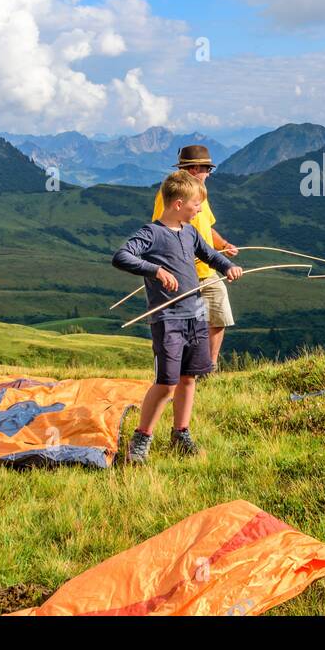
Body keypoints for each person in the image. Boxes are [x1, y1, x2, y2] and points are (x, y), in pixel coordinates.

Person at [113, 169, 242, 464]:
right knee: (166, 383)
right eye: (196, 205)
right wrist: (155, 270)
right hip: (168, 320)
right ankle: (141, 439)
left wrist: (227, 267)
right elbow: (121, 256)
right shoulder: (151, 233)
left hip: (195, 316)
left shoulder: (191, 232)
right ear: (178, 204)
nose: (199, 210)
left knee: (189, 379)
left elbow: (210, 254)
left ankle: (180, 434)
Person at [152, 144, 238, 371]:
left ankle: (210, 367)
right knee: (185, 324)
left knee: (219, 318)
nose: (209, 174)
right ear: (194, 169)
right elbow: (163, 229)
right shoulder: (168, 195)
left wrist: (224, 245)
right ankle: (183, 369)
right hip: (184, 274)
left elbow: (207, 228)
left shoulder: (200, 194)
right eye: (207, 169)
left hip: (209, 271)